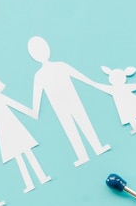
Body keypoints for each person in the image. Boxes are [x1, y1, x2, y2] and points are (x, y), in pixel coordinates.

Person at [28, 36, 110, 167]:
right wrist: (33, 111)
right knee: (72, 127)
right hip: (61, 105)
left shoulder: (54, 68)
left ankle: (94, 149)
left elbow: (81, 77)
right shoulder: (43, 73)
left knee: (80, 123)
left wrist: (96, 85)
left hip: (71, 101)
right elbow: (36, 97)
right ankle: (87, 153)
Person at [0, 68, 51, 192]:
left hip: (12, 126)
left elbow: (15, 105)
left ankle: (40, 177)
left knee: (24, 152)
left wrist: (32, 112)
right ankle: (33, 181)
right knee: (20, 154)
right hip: (6, 130)